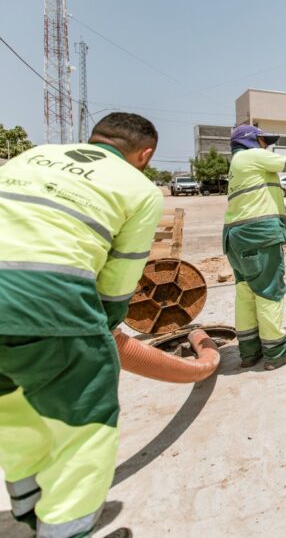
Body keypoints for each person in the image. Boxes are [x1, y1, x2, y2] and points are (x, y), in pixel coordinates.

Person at [0, 113, 163, 537]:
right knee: (83, 425)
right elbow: (120, 276)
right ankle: (66, 528)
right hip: (48, 303)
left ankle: (28, 513)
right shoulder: (138, 187)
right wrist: (105, 326)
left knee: (13, 413)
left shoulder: (30, 156)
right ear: (144, 154)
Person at [224, 125, 286, 370]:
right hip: (259, 235)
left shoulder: (238, 166)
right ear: (251, 141)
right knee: (268, 292)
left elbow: (274, 201)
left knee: (246, 293)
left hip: (236, 236)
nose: (267, 146)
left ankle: (249, 352)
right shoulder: (252, 156)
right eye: (264, 141)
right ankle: (276, 353)